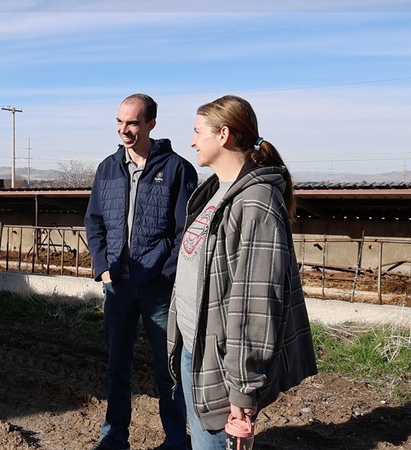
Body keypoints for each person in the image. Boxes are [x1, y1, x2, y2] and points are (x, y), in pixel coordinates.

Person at [167, 95, 318, 449]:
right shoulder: (216, 193)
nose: (191, 141)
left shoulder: (255, 202)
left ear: (224, 135)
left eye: (197, 132)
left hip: (224, 363)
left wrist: (244, 388)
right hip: (197, 349)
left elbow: (256, 305)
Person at [85, 93, 198, 450]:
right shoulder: (107, 168)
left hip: (159, 291)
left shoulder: (178, 169)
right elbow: (95, 221)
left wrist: (166, 273)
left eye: (132, 122)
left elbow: (186, 232)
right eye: (119, 122)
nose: (124, 130)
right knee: (117, 369)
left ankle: (176, 441)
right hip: (117, 287)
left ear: (151, 123)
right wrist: (103, 267)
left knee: (169, 373)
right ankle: (114, 438)